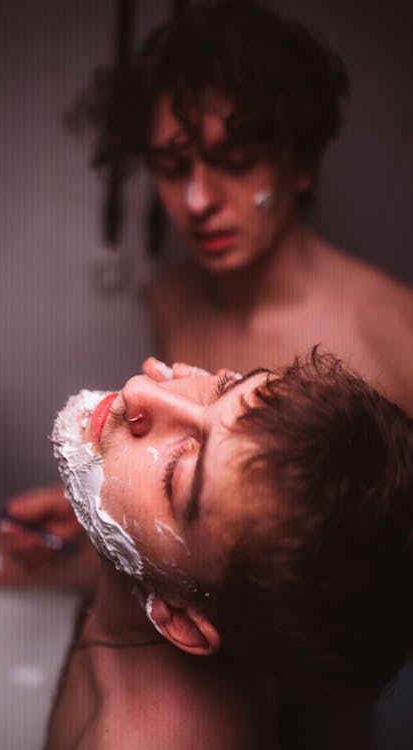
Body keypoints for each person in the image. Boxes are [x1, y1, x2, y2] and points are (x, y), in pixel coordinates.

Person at [43, 349, 413, 749]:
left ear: (182, 621)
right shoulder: (197, 587)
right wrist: (79, 548)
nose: (140, 389)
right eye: (223, 389)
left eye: (174, 476)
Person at [81, 0, 413, 416]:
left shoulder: (398, 338)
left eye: (235, 162)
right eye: (172, 167)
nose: (198, 201)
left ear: (302, 163)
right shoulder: (170, 299)